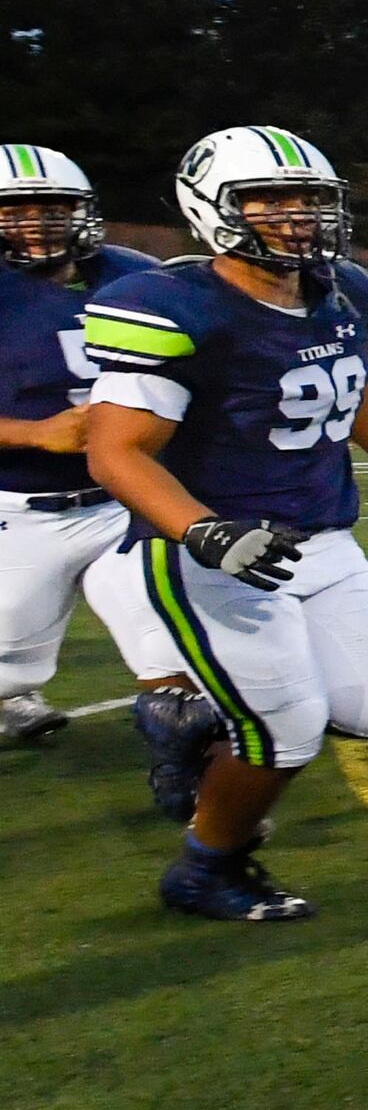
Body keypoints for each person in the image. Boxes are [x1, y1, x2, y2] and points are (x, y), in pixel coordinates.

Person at [80, 128, 368, 920]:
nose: (298, 217)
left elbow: (356, 381)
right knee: (286, 731)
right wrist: (204, 531)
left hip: (324, 538)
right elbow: (116, 453)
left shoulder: (343, 291)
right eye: (269, 201)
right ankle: (207, 868)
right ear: (212, 209)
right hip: (213, 551)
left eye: (312, 200)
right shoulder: (176, 307)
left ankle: (204, 722)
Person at [0, 144, 185, 760]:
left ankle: (190, 741)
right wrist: (33, 432)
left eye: (54, 210)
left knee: (170, 626)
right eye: (17, 211)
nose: (39, 224)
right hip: (22, 501)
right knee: (11, 655)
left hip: (120, 498)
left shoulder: (132, 276)